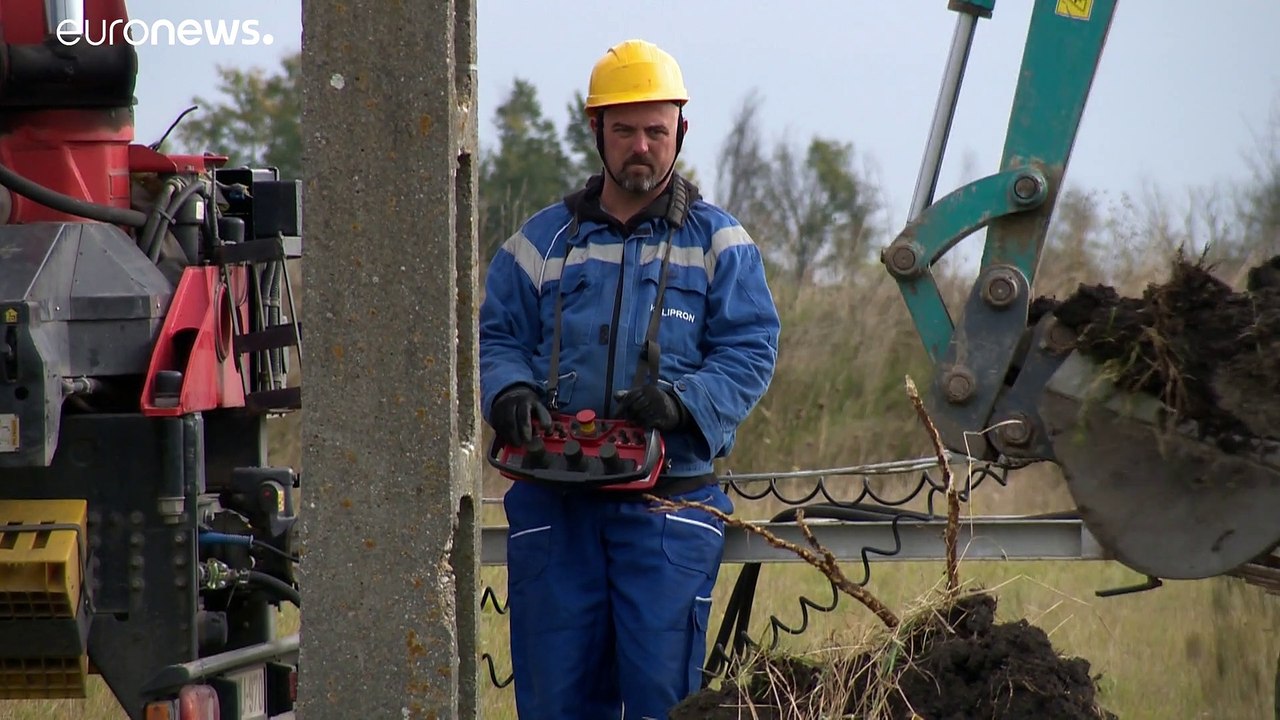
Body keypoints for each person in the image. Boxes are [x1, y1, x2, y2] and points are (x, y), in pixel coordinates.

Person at [478, 38, 781, 720]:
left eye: (655, 130)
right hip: (555, 508)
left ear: (680, 131)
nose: (640, 145)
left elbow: (751, 347)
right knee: (556, 699)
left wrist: (683, 404)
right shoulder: (540, 242)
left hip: (669, 510)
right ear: (596, 133)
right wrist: (510, 393)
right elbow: (499, 336)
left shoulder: (719, 243)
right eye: (624, 130)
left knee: (664, 699)